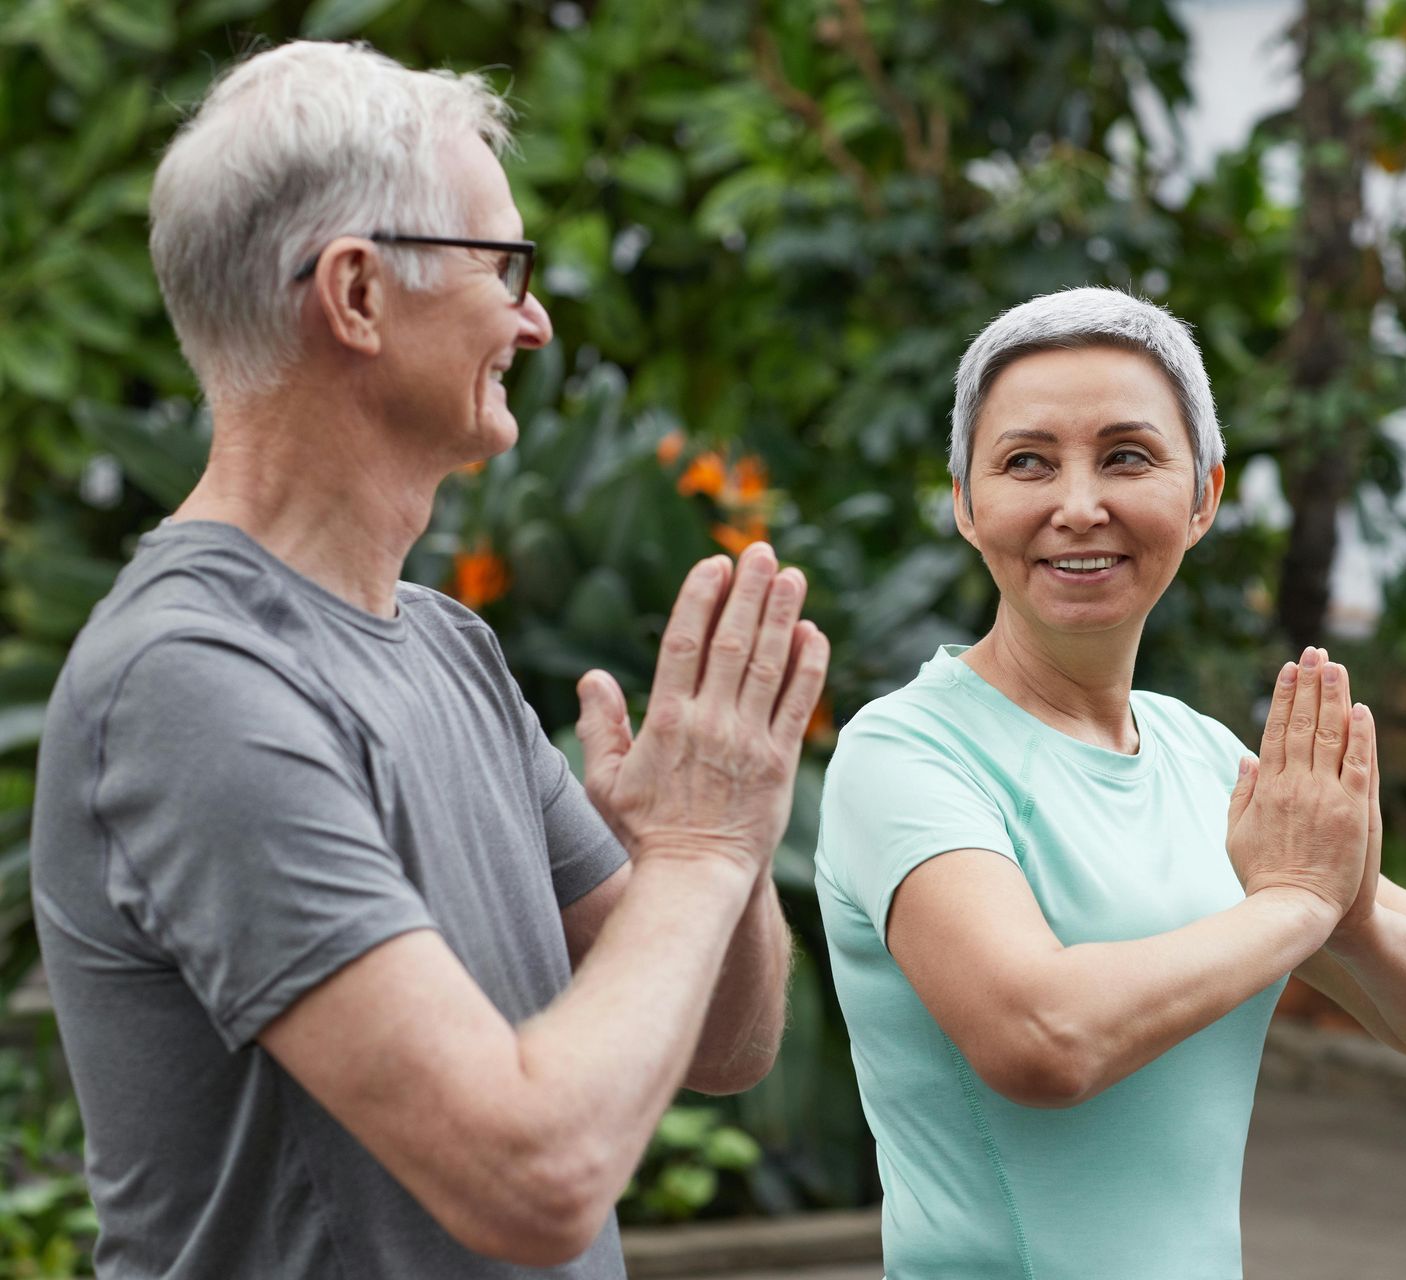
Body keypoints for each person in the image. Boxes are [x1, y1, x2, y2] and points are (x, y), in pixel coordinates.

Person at [29, 41, 828, 1279]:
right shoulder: (191, 681)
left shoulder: (448, 645)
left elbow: (725, 1045)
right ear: (356, 295)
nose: (536, 315)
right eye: (503, 264)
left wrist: (723, 845)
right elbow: (534, 1177)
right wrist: (703, 848)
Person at [814, 286, 1406, 1278]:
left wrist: (1345, 914)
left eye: (1128, 455)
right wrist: (1297, 902)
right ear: (967, 504)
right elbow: (1041, 1036)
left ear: (1204, 496)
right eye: (1026, 461)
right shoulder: (907, 752)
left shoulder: (1197, 754)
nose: (1079, 504)